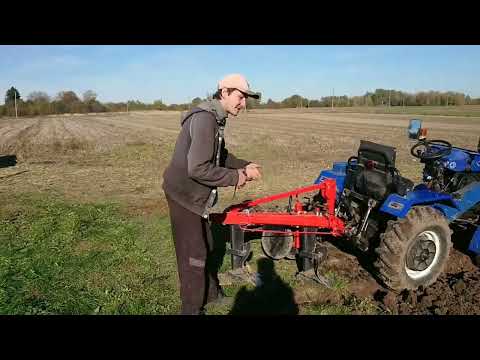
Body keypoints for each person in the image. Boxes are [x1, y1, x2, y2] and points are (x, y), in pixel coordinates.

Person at [162, 74, 262, 315]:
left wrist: (244, 166)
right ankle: (191, 309)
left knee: (206, 244)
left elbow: (221, 156)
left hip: (194, 195)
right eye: (240, 97)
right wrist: (236, 177)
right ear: (224, 92)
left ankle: (211, 295)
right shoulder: (205, 119)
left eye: (246, 98)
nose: (244, 103)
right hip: (184, 195)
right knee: (193, 255)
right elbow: (197, 168)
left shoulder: (215, 118)